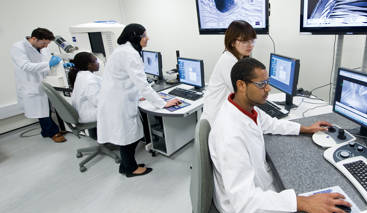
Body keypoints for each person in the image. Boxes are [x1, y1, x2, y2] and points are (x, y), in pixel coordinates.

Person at [209, 58, 351, 213]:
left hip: (257, 186)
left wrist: (304, 129)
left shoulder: (246, 108)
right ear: (241, 85)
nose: (268, 89)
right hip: (244, 207)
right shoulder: (229, 134)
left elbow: (271, 123)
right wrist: (303, 203)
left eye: (267, 83)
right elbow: (243, 203)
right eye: (262, 84)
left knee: (311, 191)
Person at [96, 23, 181, 178]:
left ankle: (125, 166)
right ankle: (130, 169)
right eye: (144, 36)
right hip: (119, 102)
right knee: (128, 137)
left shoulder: (122, 50)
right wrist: (163, 103)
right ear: (136, 37)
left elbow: (128, 79)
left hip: (116, 97)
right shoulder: (129, 54)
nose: (147, 38)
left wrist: (139, 94)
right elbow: (142, 84)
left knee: (127, 136)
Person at [10, 28, 66, 143]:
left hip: (45, 81)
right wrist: (48, 64)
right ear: (34, 39)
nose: (46, 46)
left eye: (47, 44)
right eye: (44, 43)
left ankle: (47, 131)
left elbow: (49, 59)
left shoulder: (42, 47)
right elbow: (26, 66)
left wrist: (62, 64)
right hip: (31, 84)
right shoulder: (18, 47)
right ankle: (52, 132)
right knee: (42, 110)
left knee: (47, 108)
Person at [201, 20, 256, 127]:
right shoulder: (228, 61)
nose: (250, 45)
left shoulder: (235, 59)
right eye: (245, 41)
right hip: (217, 120)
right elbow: (244, 95)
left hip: (224, 114)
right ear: (232, 42)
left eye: (252, 40)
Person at [68, 52, 101, 125]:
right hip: (89, 116)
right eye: (95, 61)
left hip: (83, 112)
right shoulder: (90, 80)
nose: (98, 63)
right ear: (89, 65)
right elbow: (98, 102)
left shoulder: (81, 75)